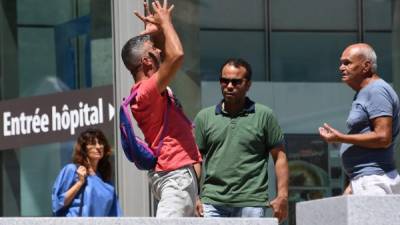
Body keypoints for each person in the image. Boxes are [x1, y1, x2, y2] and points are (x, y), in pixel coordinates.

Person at [120, 0, 202, 217]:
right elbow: (176, 55)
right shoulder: (147, 92)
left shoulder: (150, 89)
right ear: (147, 62)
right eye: (154, 50)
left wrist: (155, 33)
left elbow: (168, 55)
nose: (159, 50)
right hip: (175, 177)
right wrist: (165, 22)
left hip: (178, 176)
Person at [194, 58, 288, 222]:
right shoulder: (204, 117)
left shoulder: (264, 115)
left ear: (248, 84)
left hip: (251, 202)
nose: (229, 86)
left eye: (236, 82)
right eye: (224, 81)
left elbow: (279, 157)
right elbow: (196, 159)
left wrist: (283, 196)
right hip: (212, 203)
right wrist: (194, 195)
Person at [319, 43, 400, 195]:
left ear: (366, 66)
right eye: (341, 63)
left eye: (347, 63)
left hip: (374, 181)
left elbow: (383, 137)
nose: (341, 68)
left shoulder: (377, 91)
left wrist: (340, 138)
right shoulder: (364, 92)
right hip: (363, 179)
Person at [52, 128, 122, 216]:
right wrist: (80, 183)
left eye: (100, 143)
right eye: (93, 143)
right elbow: (57, 204)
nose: (98, 147)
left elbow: (115, 217)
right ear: (84, 149)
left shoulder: (106, 183)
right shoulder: (72, 170)